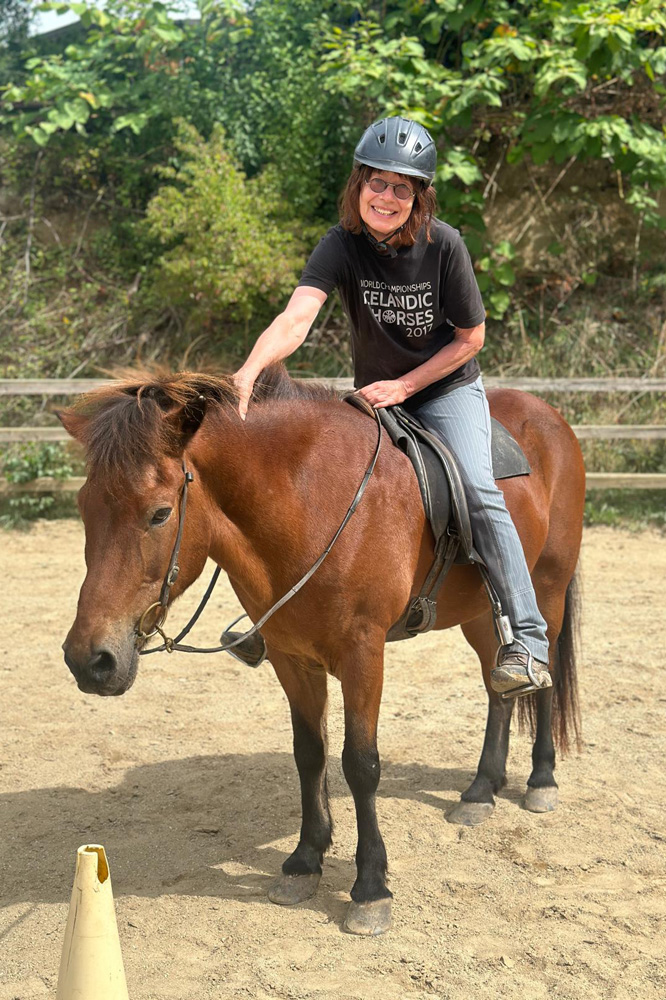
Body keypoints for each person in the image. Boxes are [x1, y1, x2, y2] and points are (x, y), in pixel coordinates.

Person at [228, 116, 551, 698]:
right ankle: (278, 613)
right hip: (374, 395)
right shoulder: (340, 245)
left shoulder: (444, 244)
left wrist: (405, 386)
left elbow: (471, 338)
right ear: (359, 185)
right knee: (311, 477)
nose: (387, 196)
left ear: (418, 197)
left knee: (477, 487)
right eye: (377, 182)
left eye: (402, 187)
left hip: (443, 389)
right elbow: (297, 317)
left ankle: (527, 639)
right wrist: (249, 371)